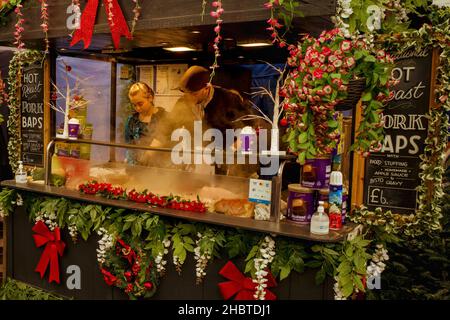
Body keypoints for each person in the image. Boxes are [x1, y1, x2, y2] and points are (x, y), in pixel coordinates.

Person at [124, 82, 169, 165]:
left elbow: (161, 141)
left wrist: (145, 158)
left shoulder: (164, 117)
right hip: (137, 168)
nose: (137, 108)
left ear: (150, 98)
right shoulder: (131, 121)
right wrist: (131, 167)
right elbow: (129, 147)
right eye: (134, 105)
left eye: (140, 104)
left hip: (161, 170)